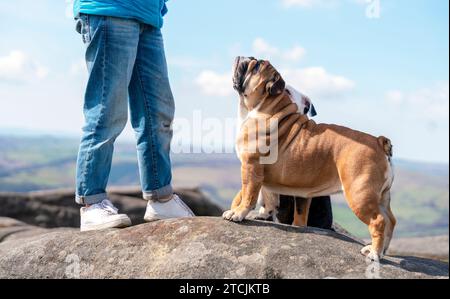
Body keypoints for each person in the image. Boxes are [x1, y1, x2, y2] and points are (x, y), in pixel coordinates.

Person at [73, 0, 194, 232]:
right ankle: (92, 203)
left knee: (157, 113)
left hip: (149, 17)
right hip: (110, 9)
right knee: (106, 111)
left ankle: (161, 198)